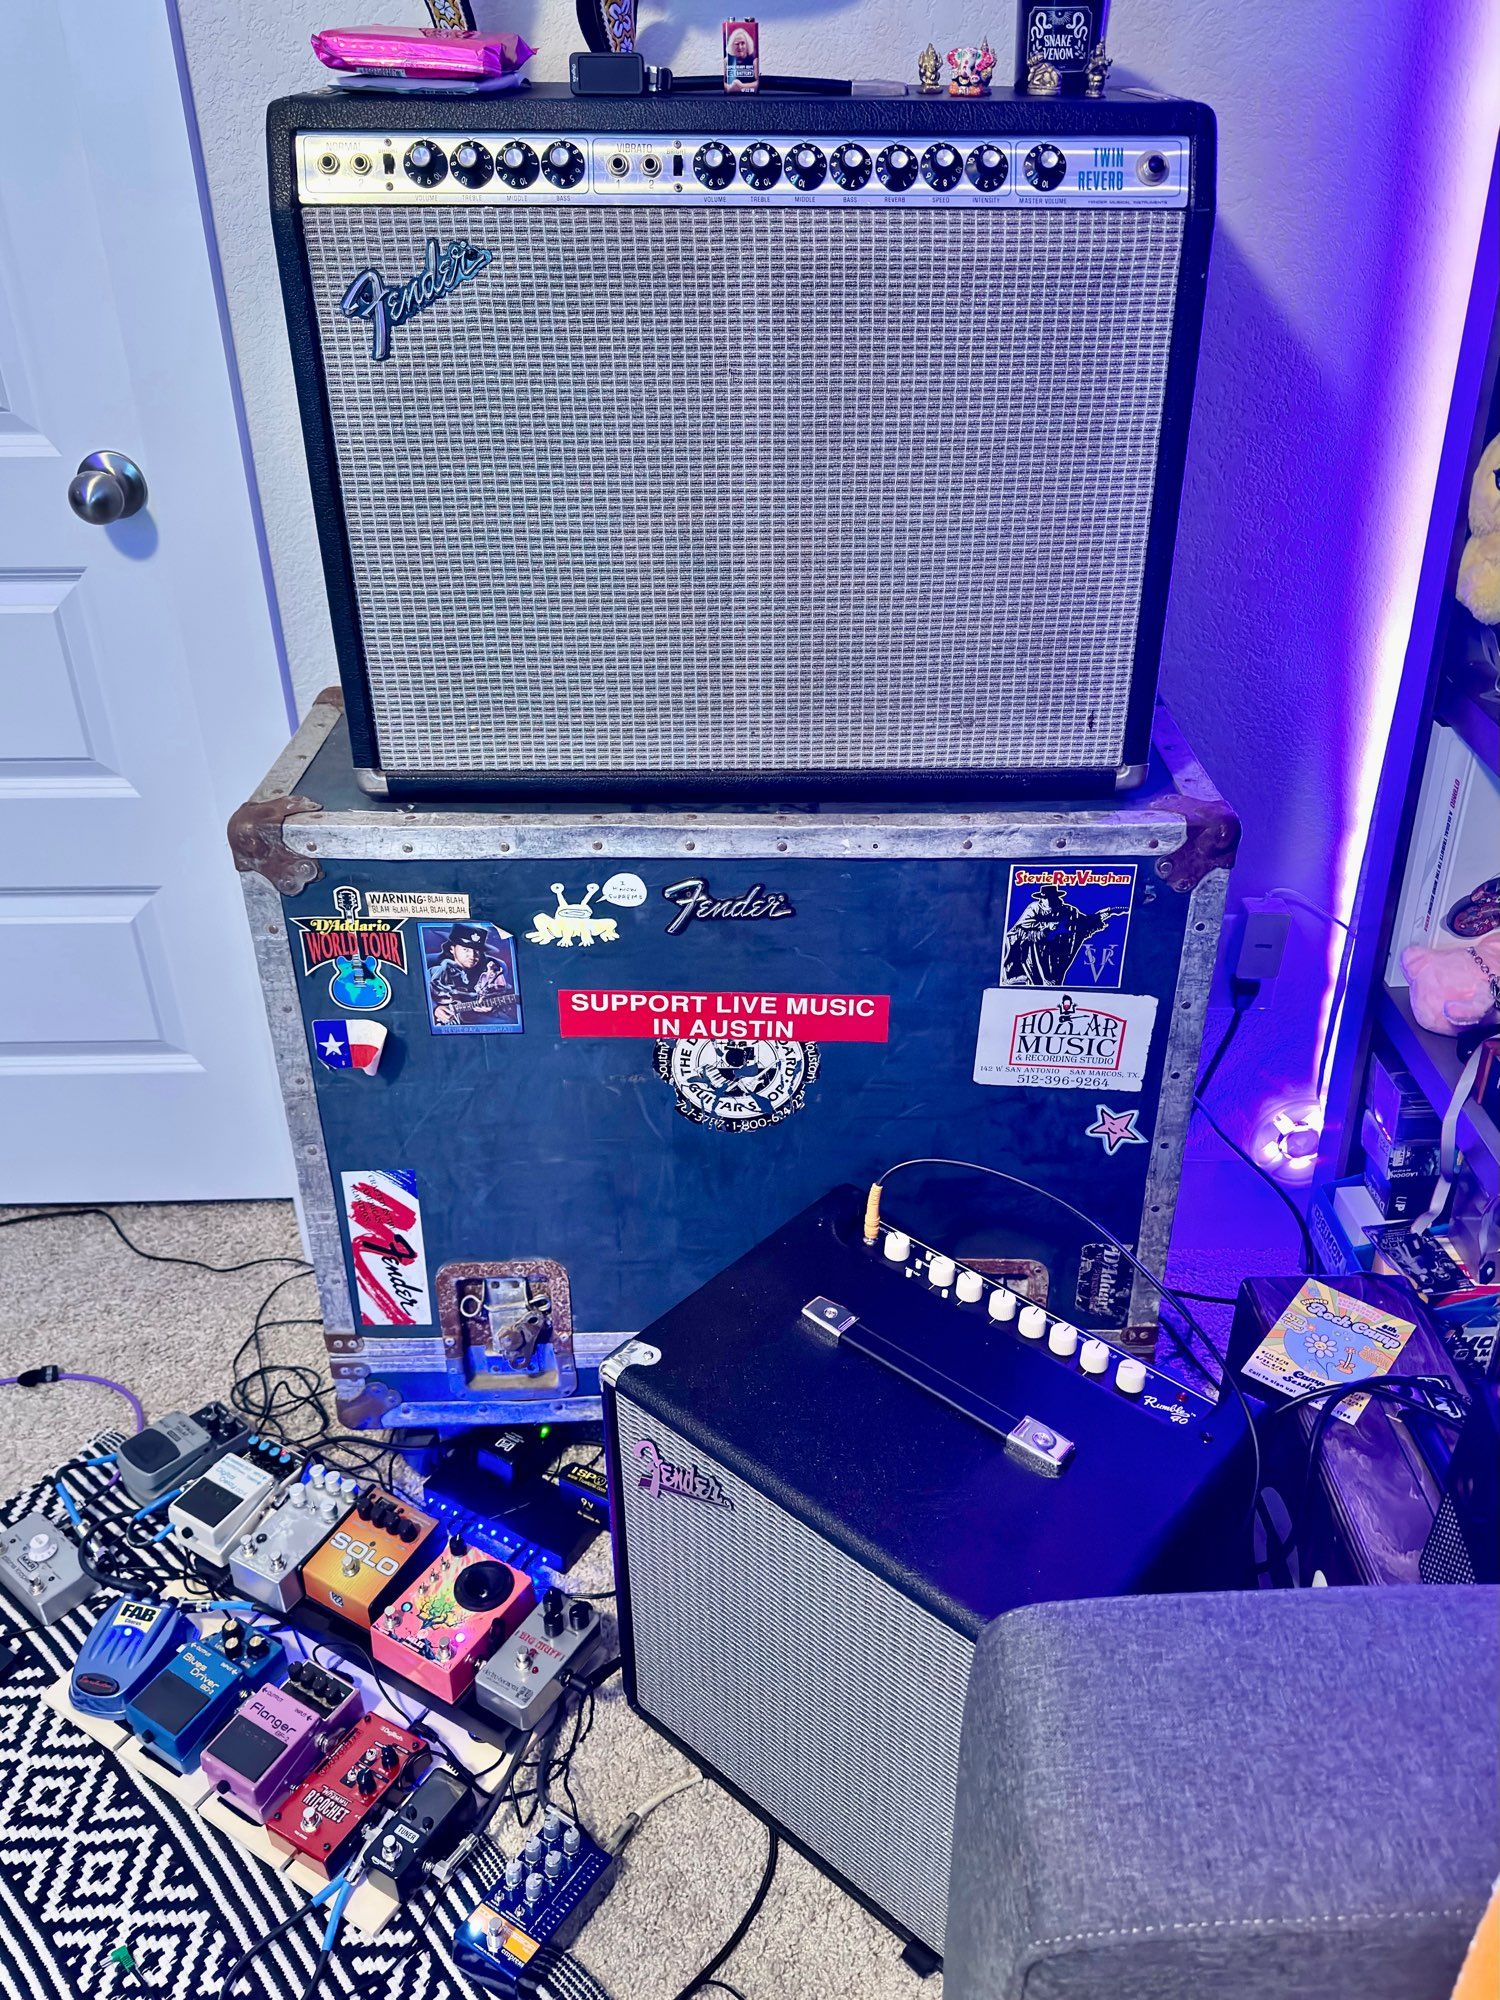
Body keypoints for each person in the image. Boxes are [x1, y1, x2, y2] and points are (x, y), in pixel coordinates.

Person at [1001, 885, 1129, 986]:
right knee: (1035, 980)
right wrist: (1047, 926)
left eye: (1051, 897)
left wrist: (1107, 913)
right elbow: (1024, 925)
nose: (1048, 900)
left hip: (1057, 952)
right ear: (1041, 898)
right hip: (1035, 953)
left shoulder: (1068, 910)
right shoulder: (1033, 908)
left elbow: (1084, 923)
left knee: (1053, 981)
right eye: (1045, 898)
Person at [428, 922, 513, 1026]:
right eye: (465, 949)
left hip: (476, 1020)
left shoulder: (496, 967)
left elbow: (505, 997)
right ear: (452, 949)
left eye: (477, 951)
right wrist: (434, 1008)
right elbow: (414, 992)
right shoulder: (430, 964)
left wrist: (492, 1006)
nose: (472, 956)